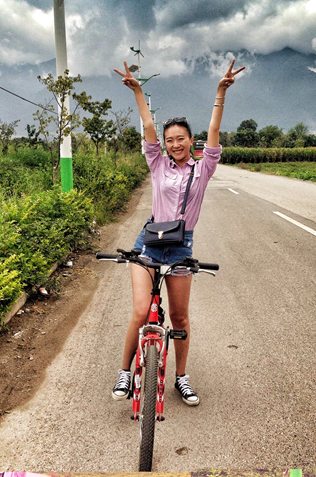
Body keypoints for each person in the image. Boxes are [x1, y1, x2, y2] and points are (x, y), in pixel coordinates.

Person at [112, 59, 245, 405]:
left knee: (180, 316)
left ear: (191, 141)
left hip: (181, 247)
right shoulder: (157, 163)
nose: (174, 144)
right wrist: (138, 91)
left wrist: (220, 93)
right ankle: (125, 372)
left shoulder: (204, 168)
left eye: (180, 139)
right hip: (150, 242)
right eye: (169, 140)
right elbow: (148, 125)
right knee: (141, 311)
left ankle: (181, 378)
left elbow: (215, 129)